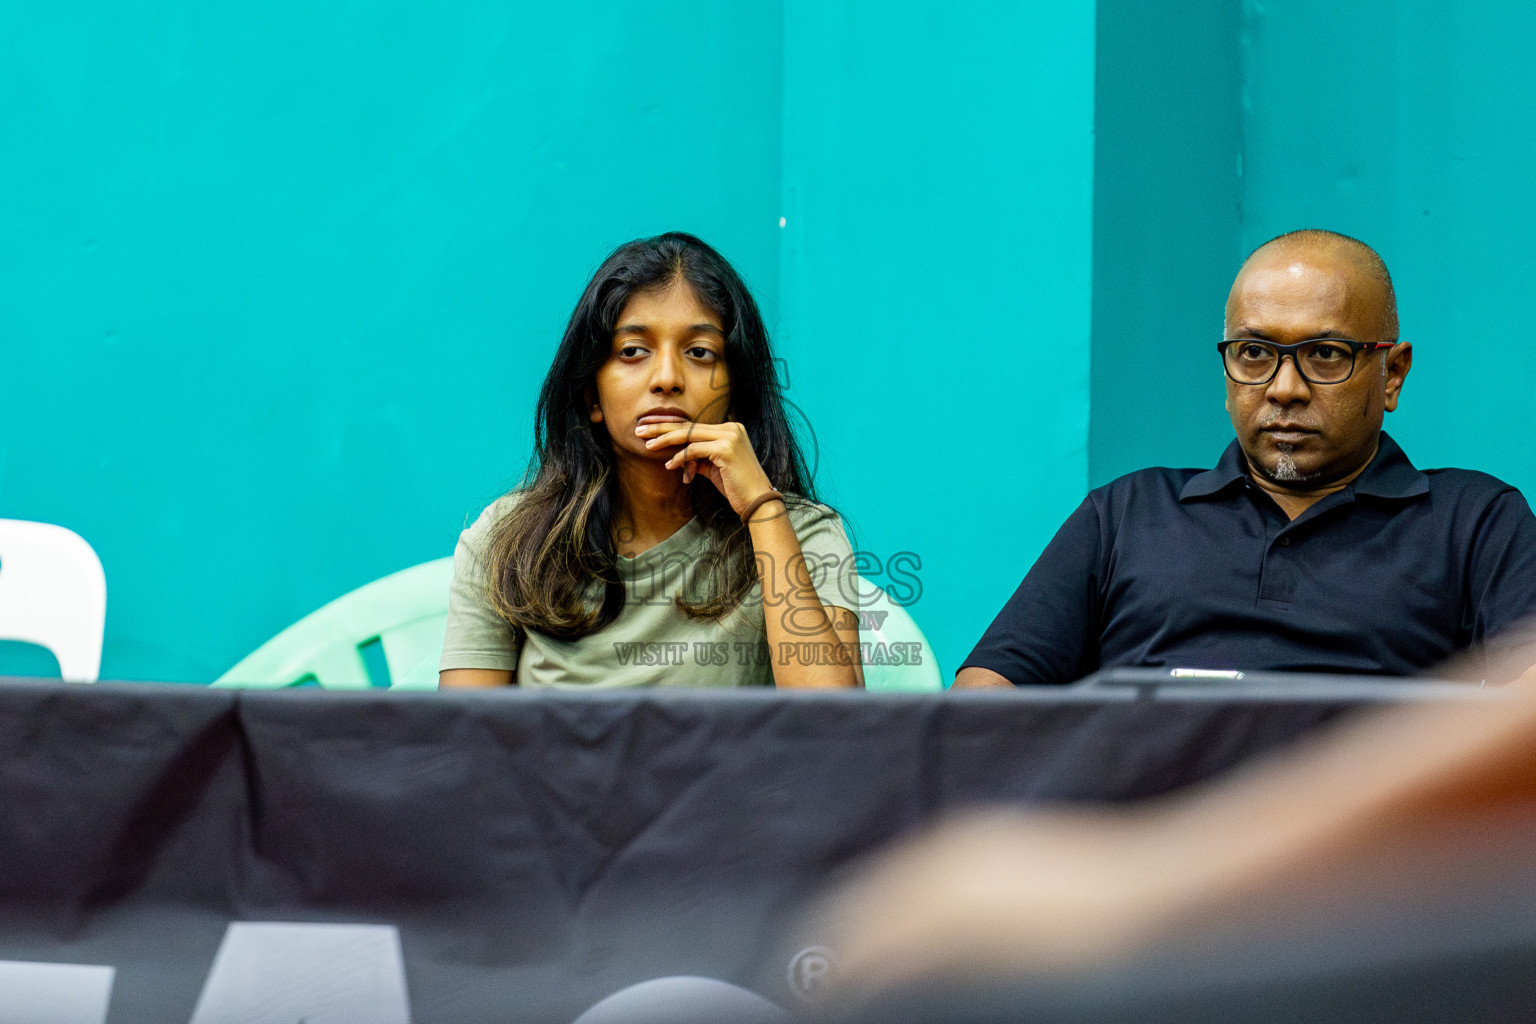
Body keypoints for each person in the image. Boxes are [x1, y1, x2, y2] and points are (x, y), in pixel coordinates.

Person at [956, 229, 1536, 688]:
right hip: (1147, 824)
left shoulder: (1474, 522)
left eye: (1326, 354)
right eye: (1255, 353)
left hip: (1372, 831)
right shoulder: (1128, 513)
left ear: (1393, 374)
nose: (1285, 388)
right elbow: (987, 699)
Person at [438, 232, 862, 690]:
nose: (666, 379)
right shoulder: (507, 541)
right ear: (591, 396)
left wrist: (762, 509)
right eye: (633, 352)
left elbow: (833, 736)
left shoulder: (798, 532)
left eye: (700, 353)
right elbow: (464, 748)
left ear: (737, 399)